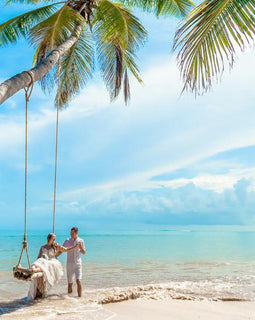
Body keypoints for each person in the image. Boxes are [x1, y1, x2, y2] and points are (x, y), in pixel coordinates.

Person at [28, 233, 78, 300]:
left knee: (45, 263)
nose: (54, 239)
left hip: (52, 262)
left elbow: (65, 249)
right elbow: (38, 257)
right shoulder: (42, 247)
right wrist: (38, 262)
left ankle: (34, 270)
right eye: (53, 238)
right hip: (44, 261)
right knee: (40, 260)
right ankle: (32, 268)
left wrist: (74, 247)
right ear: (48, 239)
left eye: (55, 238)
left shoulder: (56, 246)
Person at [61, 227, 86, 297]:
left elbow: (84, 252)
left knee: (78, 281)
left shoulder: (81, 240)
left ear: (76, 232)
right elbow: (62, 249)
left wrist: (80, 247)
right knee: (70, 284)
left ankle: (80, 298)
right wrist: (55, 255)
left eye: (73, 233)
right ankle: (69, 300)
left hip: (78, 264)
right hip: (69, 264)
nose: (71, 235)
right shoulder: (67, 241)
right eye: (70, 233)